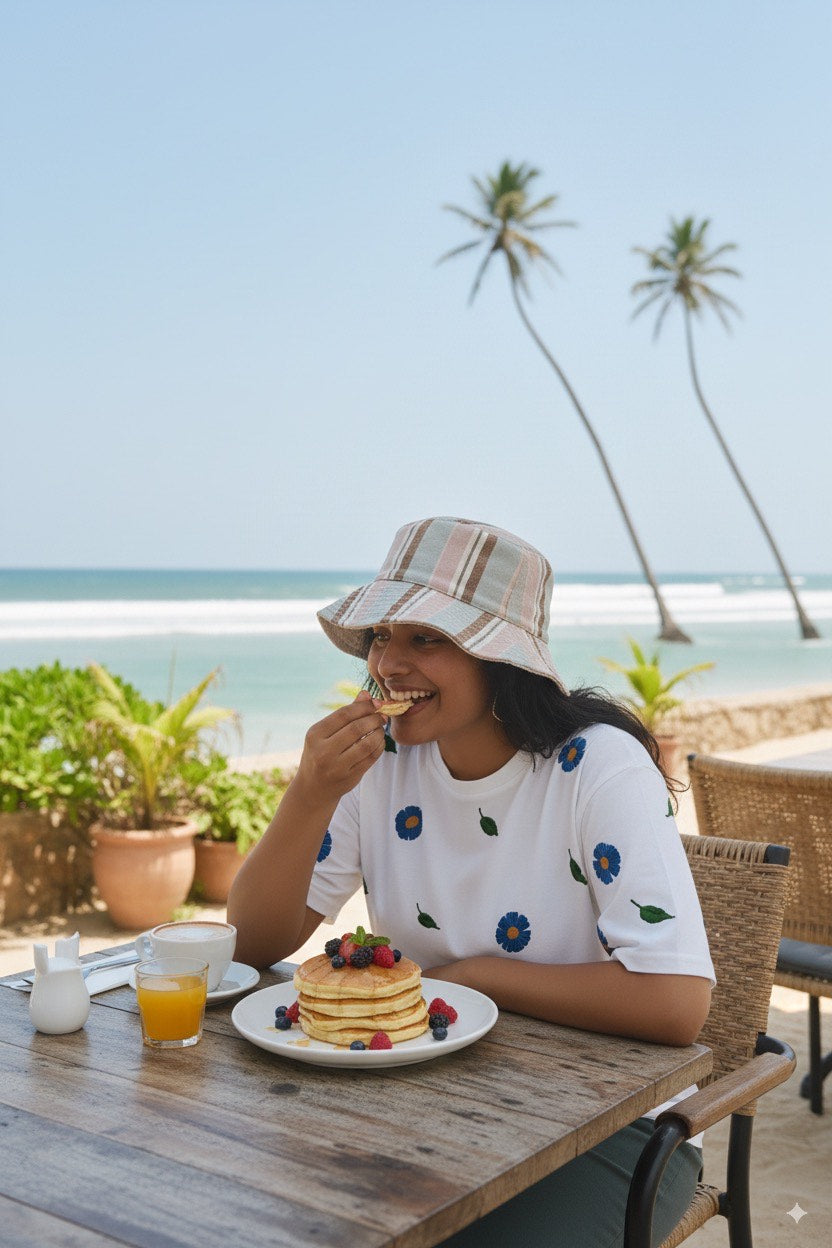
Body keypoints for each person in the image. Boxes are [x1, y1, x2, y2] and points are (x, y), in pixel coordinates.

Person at [229, 515, 714, 1248]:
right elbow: (251, 945)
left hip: (613, 1128)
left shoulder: (599, 768)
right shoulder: (379, 767)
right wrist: (309, 794)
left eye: (427, 638)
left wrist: (476, 977)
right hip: (427, 1099)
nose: (389, 663)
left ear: (501, 661)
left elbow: (676, 1003)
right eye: (382, 635)